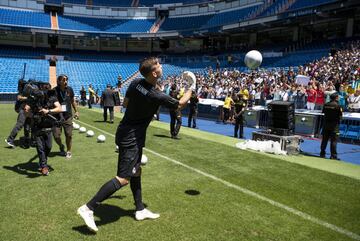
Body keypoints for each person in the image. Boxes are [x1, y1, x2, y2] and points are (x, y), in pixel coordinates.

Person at [77, 57, 195, 232]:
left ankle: (139, 209)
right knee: (123, 178)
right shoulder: (155, 94)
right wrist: (191, 87)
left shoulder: (136, 83)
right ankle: (88, 208)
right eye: (159, 66)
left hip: (128, 131)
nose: (162, 66)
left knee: (137, 171)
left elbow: (125, 104)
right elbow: (180, 104)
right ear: (154, 73)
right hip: (131, 137)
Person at [32, 88, 62, 175]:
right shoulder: (36, 99)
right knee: (40, 148)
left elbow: (59, 108)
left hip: (48, 127)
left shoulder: (52, 98)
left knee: (48, 147)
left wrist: (48, 111)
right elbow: (27, 109)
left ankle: (42, 162)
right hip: (37, 127)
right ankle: (44, 167)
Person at [52, 75, 78, 159]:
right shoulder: (54, 91)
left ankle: (69, 151)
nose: (65, 81)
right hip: (56, 117)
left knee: (69, 135)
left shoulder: (70, 89)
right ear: (59, 81)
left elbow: (72, 101)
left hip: (67, 116)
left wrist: (76, 111)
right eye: (63, 80)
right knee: (56, 136)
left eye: (66, 80)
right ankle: (61, 146)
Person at [5, 81, 32, 148]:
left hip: (28, 111)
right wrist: (29, 98)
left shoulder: (29, 91)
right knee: (19, 125)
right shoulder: (22, 91)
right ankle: (10, 139)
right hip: (23, 110)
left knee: (27, 126)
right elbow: (19, 97)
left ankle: (27, 141)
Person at [320, 93, 343, 160]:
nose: (339, 98)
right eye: (338, 97)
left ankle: (322, 153)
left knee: (324, 140)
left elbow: (323, 112)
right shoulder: (338, 106)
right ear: (336, 98)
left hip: (326, 124)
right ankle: (333, 156)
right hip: (334, 125)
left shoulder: (326, 104)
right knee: (334, 141)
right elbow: (341, 116)